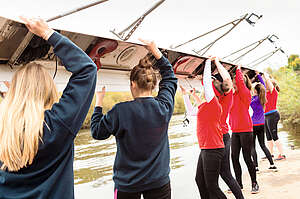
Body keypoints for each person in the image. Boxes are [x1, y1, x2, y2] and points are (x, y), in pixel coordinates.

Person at [0, 17, 97, 199]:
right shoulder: (56, 124)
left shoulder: (3, 130)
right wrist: (48, 34)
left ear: (15, 92)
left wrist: (11, 100)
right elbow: (86, 70)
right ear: (48, 90)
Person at [90, 39, 177, 199]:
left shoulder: (120, 111)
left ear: (132, 84)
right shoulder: (164, 107)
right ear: (153, 85)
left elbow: (97, 132)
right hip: (159, 182)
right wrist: (155, 51)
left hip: (128, 185)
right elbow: (170, 77)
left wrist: (99, 103)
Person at [194, 58, 227, 199]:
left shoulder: (214, 104)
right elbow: (198, 105)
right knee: (200, 181)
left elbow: (207, 82)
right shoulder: (207, 106)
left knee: (212, 186)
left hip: (213, 149)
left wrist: (208, 62)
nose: (205, 90)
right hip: (206, 148)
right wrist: (190, 94)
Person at [213, 58, 244, 199]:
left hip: (219, 138)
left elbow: (224, 79)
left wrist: (214, 63)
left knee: (224, 174)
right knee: (226, 173)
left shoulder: (218, 95)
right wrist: (216, 63)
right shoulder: (228, 96)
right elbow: (226, 79)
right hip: (225, 135)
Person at [229, 66, 259, 194]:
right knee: (234, 157)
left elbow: (240, 84)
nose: (234, 85)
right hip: (235, 131)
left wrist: (238, 70)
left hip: (246, 130)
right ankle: (239, 184)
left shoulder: (245, 94)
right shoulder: (231, 95)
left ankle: (254, 182)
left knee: (247, 157)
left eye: (235, 83)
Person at [250, 72, 277, 172]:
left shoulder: (252, 100)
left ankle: (256, 167)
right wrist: (259, 76)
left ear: (255, 91)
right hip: (262, 124)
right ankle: (272, 164)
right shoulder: (262, 98)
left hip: (253, 125)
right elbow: (264, 87)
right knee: (263, 145)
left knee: (252, 146)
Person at [263, 73, 286, 160]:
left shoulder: (273, 92)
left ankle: (282, 154)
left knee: (274, 135)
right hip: (266, 116)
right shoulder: (266, 93)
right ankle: (270, 154)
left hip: (272, 115)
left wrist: (266, 76)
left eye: (266, 84)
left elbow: (268, 82)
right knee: (268, 136)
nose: (265, 85)